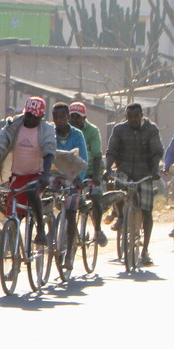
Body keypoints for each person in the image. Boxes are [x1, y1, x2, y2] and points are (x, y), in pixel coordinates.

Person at [0, 96, 56, 250]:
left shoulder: (46, 129)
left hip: (37, 174)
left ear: (41, 117)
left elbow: (49, 152)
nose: (30, 119)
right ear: (24, 112)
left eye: (35, 117)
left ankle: (40, 230)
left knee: (32, 192)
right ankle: (15, 248)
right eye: (28, 115)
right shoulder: (13, 125)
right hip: (18, 175)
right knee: (14, 212)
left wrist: (45, 175)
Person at [103, 103, 163, 266]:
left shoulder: (151, 129)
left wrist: (155, 170)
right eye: (130, 116)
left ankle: (145, 251)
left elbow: (157, 151)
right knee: (117, 190)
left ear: (142, 115)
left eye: (136, 116)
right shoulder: (119, 129)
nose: (133, 119)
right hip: (125, 170)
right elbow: (111, 150)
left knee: (147, 210)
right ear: (126, 117)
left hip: (145, 173)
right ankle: (121, 217)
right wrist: (107, 169)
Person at [49, 102, 88, 269]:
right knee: (45, 202)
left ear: (68, 117)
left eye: (62, 116)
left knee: (71, 214)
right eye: (55, 117)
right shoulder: (50, 133)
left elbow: (83, 159)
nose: (58, 120)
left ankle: (70, 253)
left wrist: (79, 178)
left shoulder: (77, 135)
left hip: (72, 176)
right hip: (54, 175)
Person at [68, 101, 108, 247]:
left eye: (77, 117)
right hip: (72, 172)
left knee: (96, 197)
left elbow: (97, 155)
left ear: (84, 118)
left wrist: (96, 177)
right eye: (71, 116)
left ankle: (97, 230)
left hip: (91, 170)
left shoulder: (92, 131)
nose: (74, 120)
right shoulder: (65, 130)